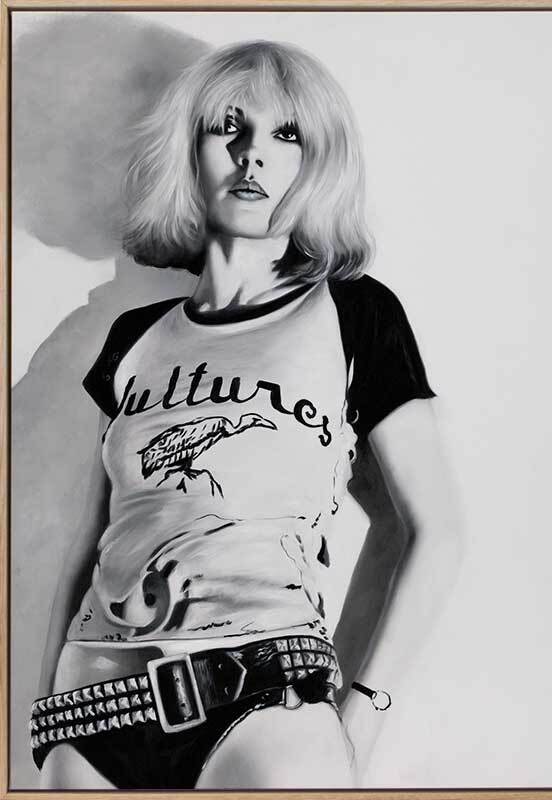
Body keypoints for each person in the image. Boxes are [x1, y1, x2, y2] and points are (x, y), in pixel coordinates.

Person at [31, 40, 462, 790]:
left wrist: (358, 716)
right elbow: (90, 537)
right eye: (227, 126)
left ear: (316, 162)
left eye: (285, 134)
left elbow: (429, 529)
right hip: (93, 712)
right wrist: (45, 721)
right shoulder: (131, 337)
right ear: (190, 150)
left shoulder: (353, 313)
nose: (251, 153)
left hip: (266, 705)